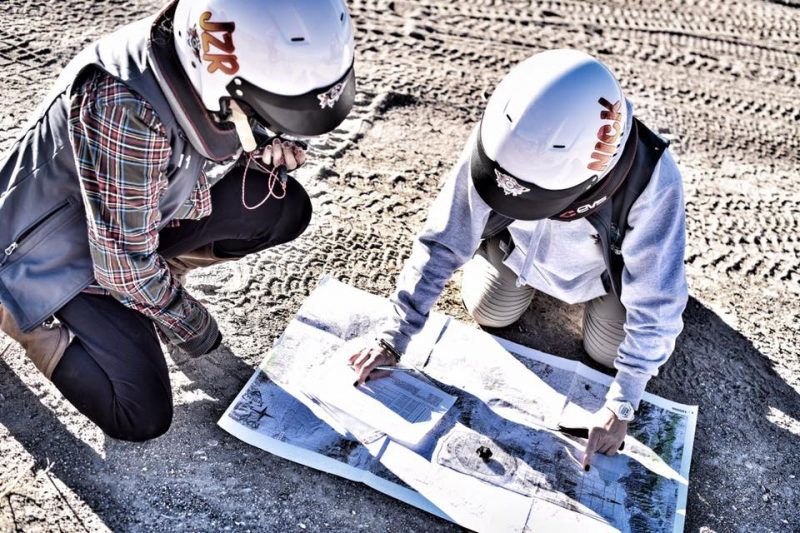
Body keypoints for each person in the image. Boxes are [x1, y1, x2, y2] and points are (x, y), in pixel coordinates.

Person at [0, 0, 356, 441]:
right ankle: (15, 308)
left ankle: (154, 285)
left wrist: (262, 142)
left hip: (126, 222)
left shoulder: (202, 61)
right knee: (140, 414)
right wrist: (191, 325)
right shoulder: (126, 105)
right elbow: (121, 266)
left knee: (280, 207)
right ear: (221, 78)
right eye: (263, 112)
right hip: (50, 253)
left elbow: (178, 161)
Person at [349, 49, 688, 469]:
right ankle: (504, 268)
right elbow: (444, 237)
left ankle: (604, 303)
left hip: (599, 278)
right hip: (517, 255)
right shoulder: (503, 139)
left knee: (607, 353)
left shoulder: (653, 178)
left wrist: (622, 405)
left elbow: (658, 303)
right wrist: (393, 335)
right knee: (490, 312)